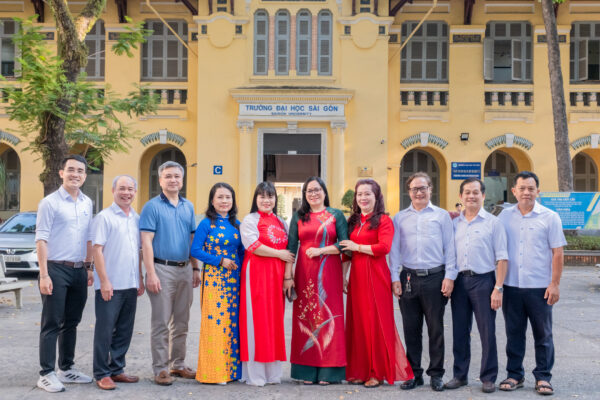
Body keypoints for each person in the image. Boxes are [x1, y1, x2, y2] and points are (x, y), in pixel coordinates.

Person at [340, 179, 414, 388]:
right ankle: (359, 370)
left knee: (375, 322)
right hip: (357, 276)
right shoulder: (353, 221)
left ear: (376, 197)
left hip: (376, 276)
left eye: (367, 194)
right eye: (360, 194)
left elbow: (384, 247)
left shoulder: (383, 220)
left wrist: (357, 246)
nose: (363, 198)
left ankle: (376, 371)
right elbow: (346, 251)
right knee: (358, 322)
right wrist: (343, 275)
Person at [498, 171, 566, 396]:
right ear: (514, 191)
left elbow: (558, 253)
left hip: (540, 288)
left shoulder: (550, 217)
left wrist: (554, 284)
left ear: (538, 191)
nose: (526, 192)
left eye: (530, 188)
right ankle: (515, 374)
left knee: (543, 334)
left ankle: (543, 376)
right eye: (522, 188)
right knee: (514, 334)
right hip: (511, 286)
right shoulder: (504, 217)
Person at [389, 171, 457, 392]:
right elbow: (394, 251)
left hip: (435, 278)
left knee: (435, 329)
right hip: (408, 278)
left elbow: (450, 248)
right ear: (408, 192)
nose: (419, 192)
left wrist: (449, 276)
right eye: (414, 189)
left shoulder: (441, 216)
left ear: (430, 189)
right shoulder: (400, 218)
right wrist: (394, 278)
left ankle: (436, 374)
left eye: (423, 188)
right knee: (411, 329)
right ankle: (414, 374)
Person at [35, 154, 94, 393]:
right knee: (52, 322)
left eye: (80, 171)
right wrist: (44, 275)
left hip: (79, 269)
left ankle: (66, 368)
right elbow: (41, 239)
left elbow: (89, 237)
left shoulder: (87, 202)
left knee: (71, 322)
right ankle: (46, 373)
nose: (75, 174)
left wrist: (89, 267)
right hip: (55, 269)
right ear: (61, 173)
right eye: (71, 170)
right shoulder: (49, 203)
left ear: (85, 176)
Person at [444, 178, 508, 393]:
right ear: (461, 196)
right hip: (460, 282)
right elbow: (449, 255)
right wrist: (449, 278)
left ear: (483, 195)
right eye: (467, 192)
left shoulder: (493, 223)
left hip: (484, 281)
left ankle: (488, 377)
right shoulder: (454, 224)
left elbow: (502, 258)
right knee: (460, 330)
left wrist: (498, 288)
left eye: (475, 192)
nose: (471, 196)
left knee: (487, 331)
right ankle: (460, 375)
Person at [140, 161, 200, 386]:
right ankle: (161, 369)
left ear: (182, 180)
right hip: (161, 269)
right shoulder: (151, 207)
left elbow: (192, 239)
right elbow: (146, 242)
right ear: (160, 180)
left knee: (182, 322)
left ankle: (178, 364)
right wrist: (151, 273)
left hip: (185, 269)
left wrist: (195, 268)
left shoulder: (188, 206)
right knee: (161, 322)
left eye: (176, 176)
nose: (173, 180)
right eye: (168, 176)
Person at [286, 176, 348, 385]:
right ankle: (306, 371)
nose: (313, 194)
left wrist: (321, 250)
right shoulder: (299, 217)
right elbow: (291, 248)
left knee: (330, 317)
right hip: (304, 274)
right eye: (309, 191)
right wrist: (288, 277)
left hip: (329, 273)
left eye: (317, 189)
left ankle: (329, 372)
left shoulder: (335, 215)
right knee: (307, 317)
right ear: (304, 195)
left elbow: (345, 245)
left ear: (324, 191)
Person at [91, 175, 145, 390]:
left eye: (130, 189)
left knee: (124, 329)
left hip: (130, 283)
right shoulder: (104, 217)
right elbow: (97, 250)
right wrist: (104, 281)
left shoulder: (136, 218)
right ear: (113, 190)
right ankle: (101, 373)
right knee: (105, 330)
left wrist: (140, 278)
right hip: (110, 285)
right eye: (122, 188)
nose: (126, 193)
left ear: (135, 192)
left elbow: (138, 251)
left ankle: (117, 369)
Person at [239, 182, 295, 386]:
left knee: (274, 322)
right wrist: (279, 254)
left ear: (275, 199)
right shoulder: (250, 220)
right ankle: (255, 374)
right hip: (256, 274)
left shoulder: (281, 222)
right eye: (262, 196)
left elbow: (290, 252)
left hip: (277, 277)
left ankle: (272, 373)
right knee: (256, 321)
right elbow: (253, 246)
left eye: (270, 196)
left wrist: (288, 277)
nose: (266, 200)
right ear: (255, 199)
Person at [191, 182, 245, 384]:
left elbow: (242, 252)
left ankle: (232, 371)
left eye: (228, 197)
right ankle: (214, 372)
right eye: (220, 197)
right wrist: (220, 261)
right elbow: (195, 250)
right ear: (212, 201)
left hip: (234, 281)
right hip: (215, 279)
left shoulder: (237, 224)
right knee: (215, 324)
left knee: (232, 324)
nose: (224, 201)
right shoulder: (206, 224)